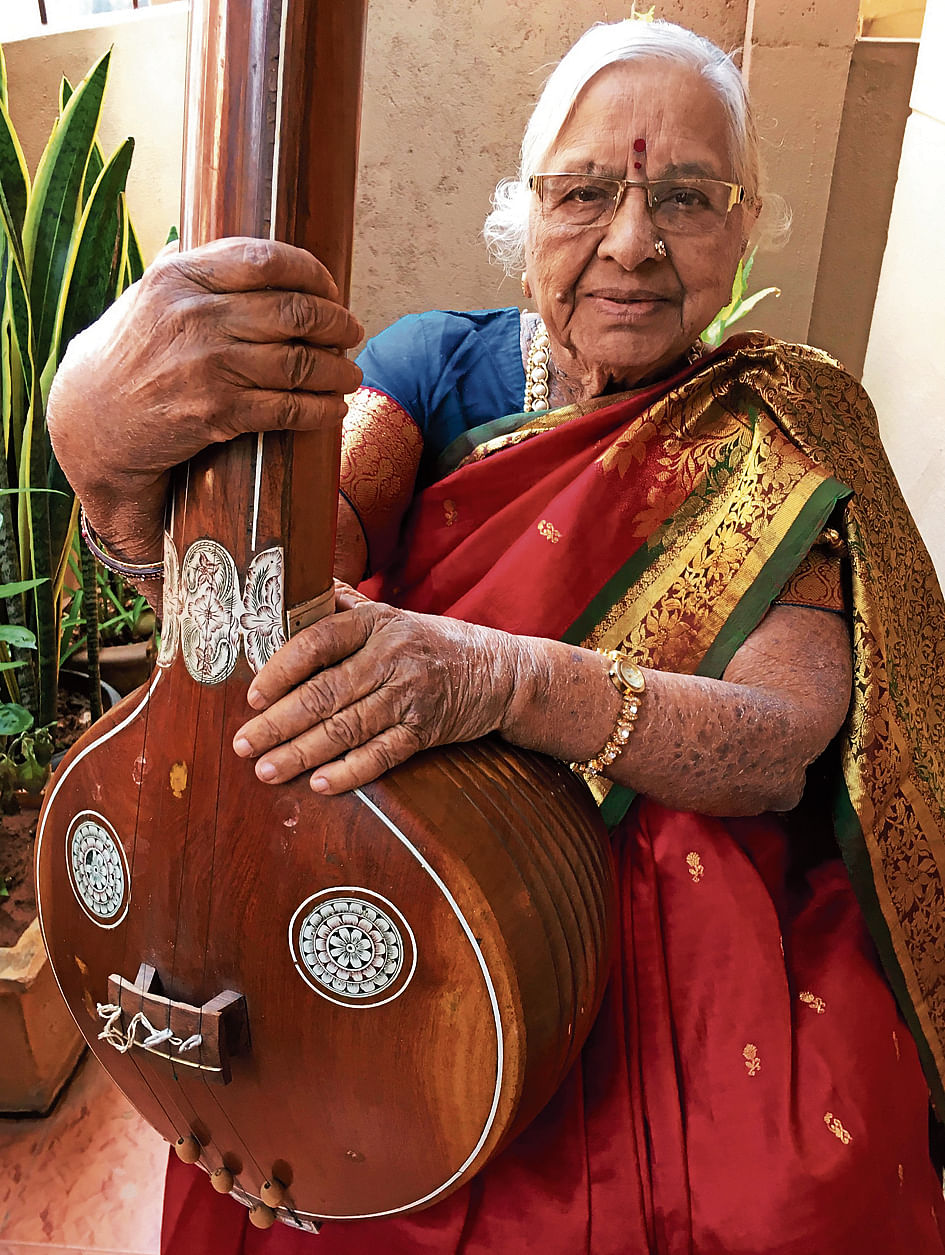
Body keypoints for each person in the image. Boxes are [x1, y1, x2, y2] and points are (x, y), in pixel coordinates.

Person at [47, 18, 945, 1255]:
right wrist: (104, 477)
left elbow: (779, 739)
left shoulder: (782, 427)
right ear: (528, 214)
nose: (632, 242)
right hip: (424, 857)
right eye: (586, 193)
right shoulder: (433, 371)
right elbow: (297, 580)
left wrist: (498, 675)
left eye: (685, 197)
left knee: (793, 1191)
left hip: (680, 864)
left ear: (745, 228)